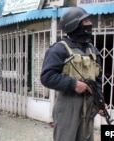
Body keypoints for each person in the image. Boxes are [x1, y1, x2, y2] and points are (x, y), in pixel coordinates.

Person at [40, 7, 105, 141]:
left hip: (89, 102)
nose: (90, 24)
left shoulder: (92, 50)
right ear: (74, 25)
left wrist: (100, 101)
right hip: (68, 102)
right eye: (85, 20)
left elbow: (97, 78)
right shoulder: (59, 49)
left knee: (87, 137)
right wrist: (73, 84)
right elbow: (47, 77)